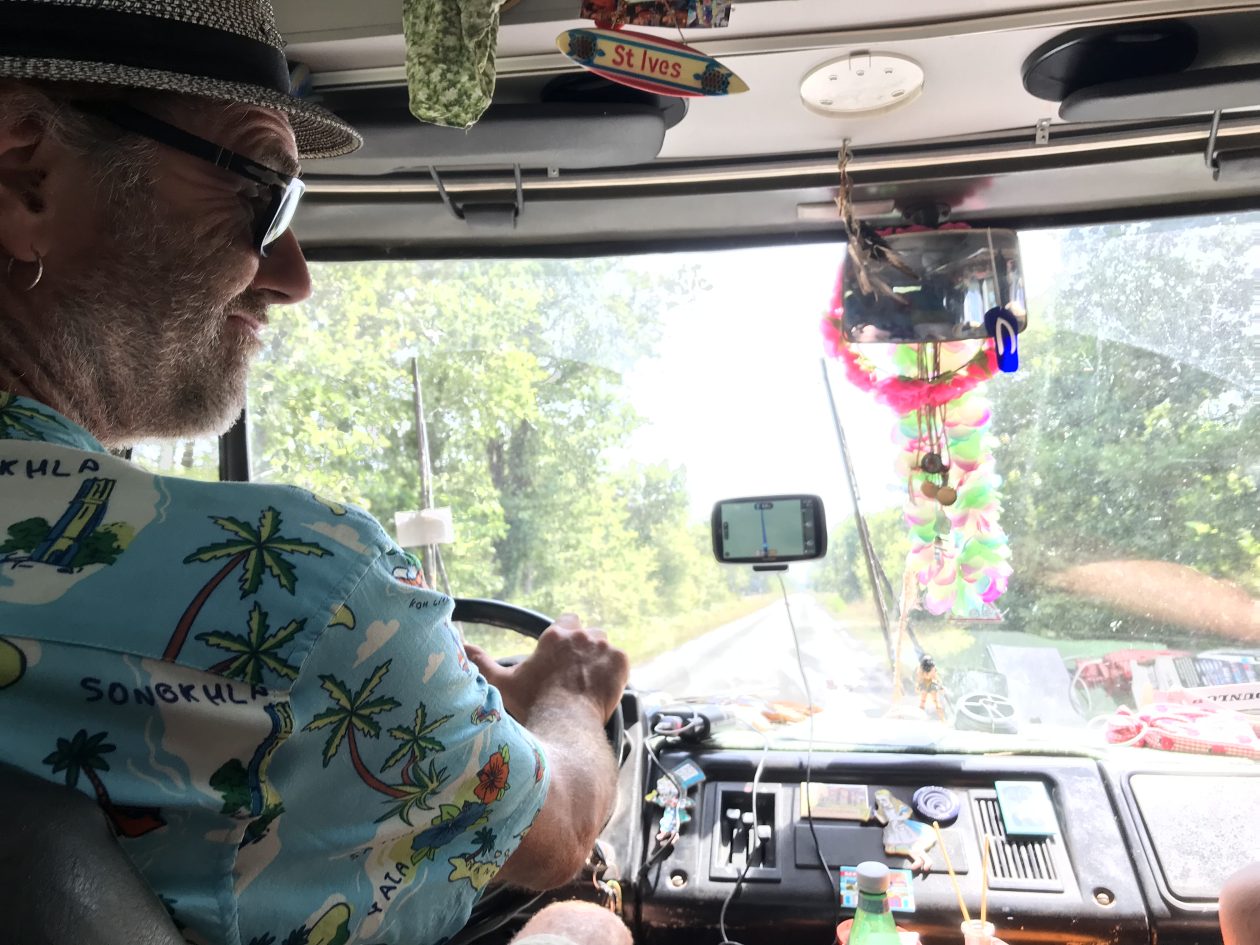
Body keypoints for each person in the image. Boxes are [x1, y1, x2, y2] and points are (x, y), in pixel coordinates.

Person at [0, 3, 630, 945]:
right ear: (27, 175)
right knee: (583, 924)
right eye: (265, 195)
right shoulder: (300, 595)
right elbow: (565, 827)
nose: (293, 274)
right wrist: (572, 693)